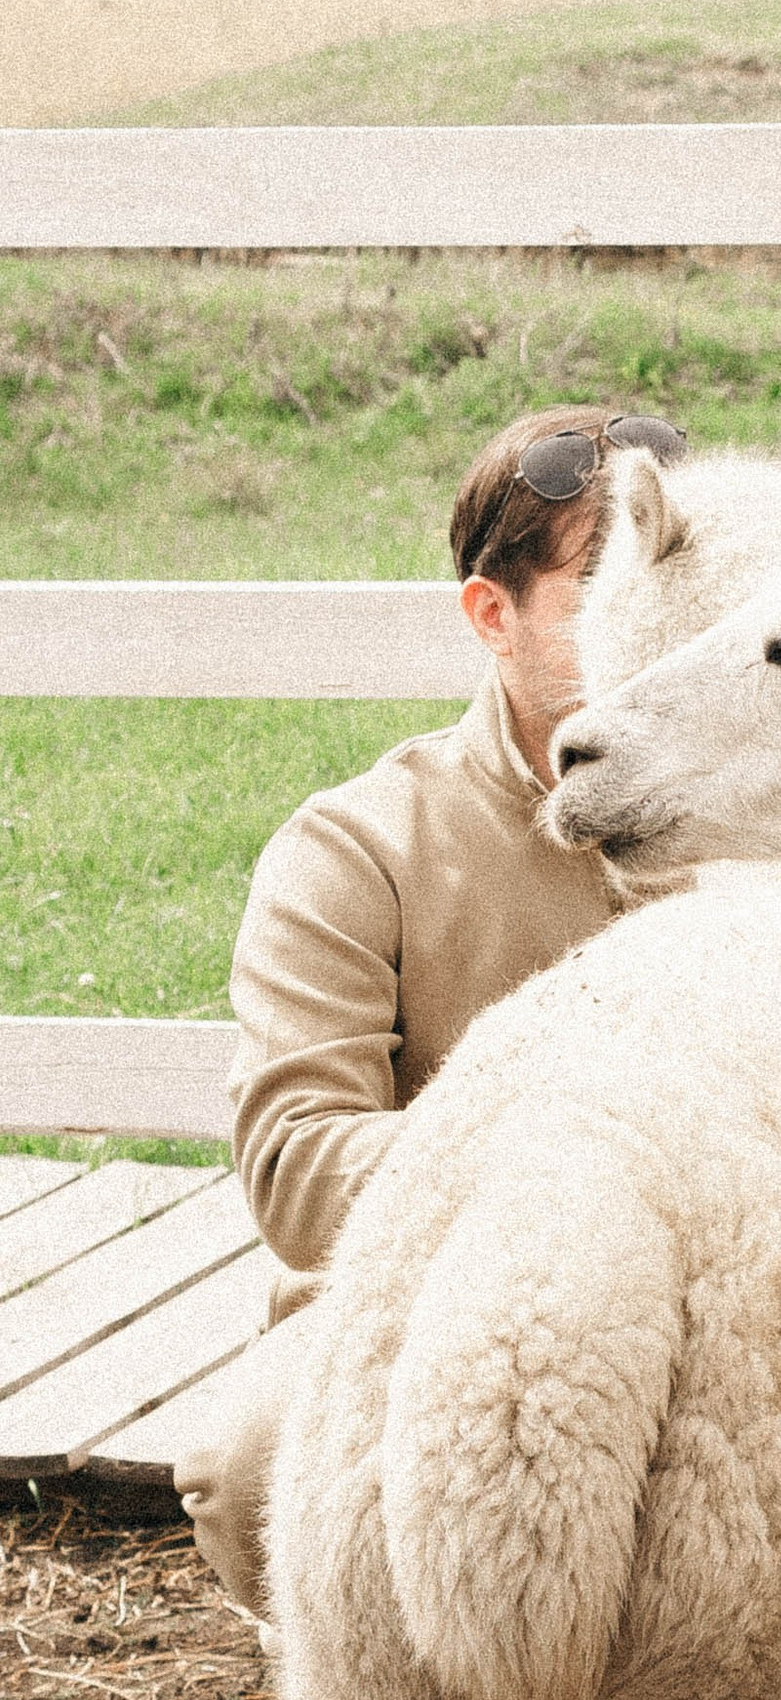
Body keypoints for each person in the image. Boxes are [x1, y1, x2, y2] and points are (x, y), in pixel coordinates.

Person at [173, 403, 687, 1614]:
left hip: (735, 1300)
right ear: (490, 615)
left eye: (676, 584)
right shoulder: (354, 847)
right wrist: (599, 1160)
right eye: (602, 591)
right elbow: (299, 1178)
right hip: (436, 1304)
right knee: (254, 1473)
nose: (655, 634)